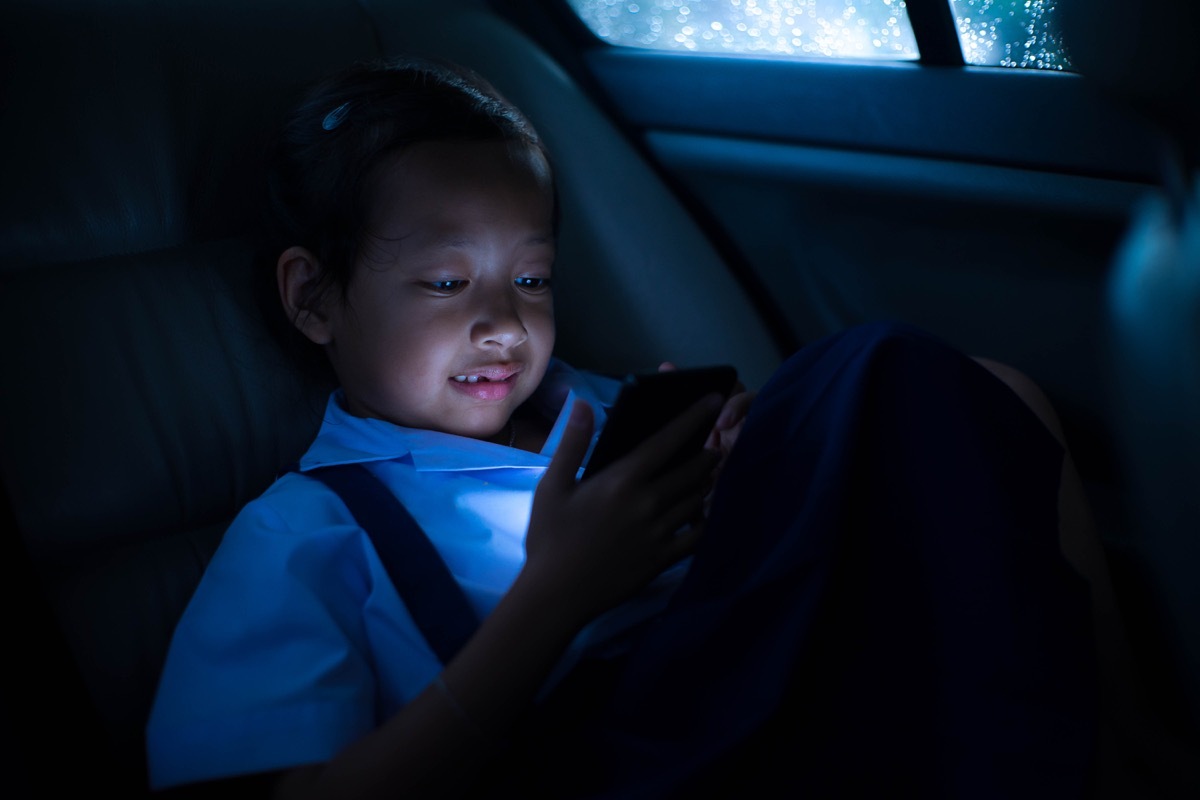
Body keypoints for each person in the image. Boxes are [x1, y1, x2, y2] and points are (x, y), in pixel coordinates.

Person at [146, 56, 1101, 798]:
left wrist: (734, 471)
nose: (506, 325)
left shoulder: (594, 404)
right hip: (609, 760)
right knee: (876, 370)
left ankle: (1121, 742)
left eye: (532, 279)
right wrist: (557, 593)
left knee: (975, 392)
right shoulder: (305, 530)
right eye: (446, 283)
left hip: (759, 683)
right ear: (315, 298)